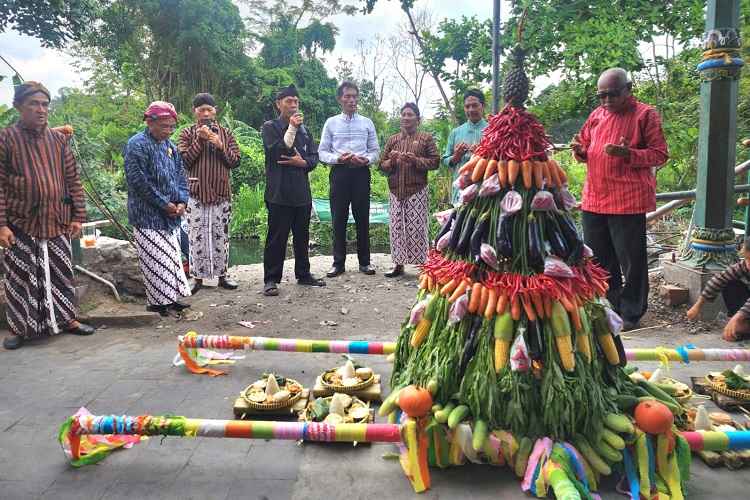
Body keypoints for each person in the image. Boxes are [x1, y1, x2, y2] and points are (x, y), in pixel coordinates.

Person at [571, 68, 668, 331]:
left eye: (612, 94)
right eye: (601, 95)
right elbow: (584, 145)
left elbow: (659, 154)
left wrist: (629, 154)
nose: (606, 101)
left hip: (627, 199)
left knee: (631, 260)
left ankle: (632, 312)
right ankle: (608, 306)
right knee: (599, 259)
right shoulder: (597, 115)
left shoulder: (645, 114)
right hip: (594, 197)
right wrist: (580, 152)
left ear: (628, 89)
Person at [0, 81, 95, 350]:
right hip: (21, 222)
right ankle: (20, 329)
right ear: (18, 106)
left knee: (62, 274)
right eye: (34, 103)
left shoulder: (58, 139)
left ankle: (68, 320)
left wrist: (78, 216)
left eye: (44, 104)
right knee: (20, 278)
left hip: (57, 220)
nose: (41, 109)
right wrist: (2, 225)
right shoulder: (6, 138)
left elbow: (72, 180)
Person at [124, 101, 192, 316]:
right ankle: (158, 303)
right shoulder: (137, 144)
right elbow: (138, 181)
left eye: (172, 126)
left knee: (171, 259)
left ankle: (170, 300)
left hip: (171, 214)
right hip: (147, 215)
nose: (169, 130)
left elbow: (181, 175)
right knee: (156, 260)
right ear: (150, 122)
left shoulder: (170, 146)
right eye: (165, 126)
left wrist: (181, 201)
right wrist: (165, 204)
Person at [260, 84, 325, 296]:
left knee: (302, 236)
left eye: (296, 101)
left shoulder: (306, 130)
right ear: (279, 104)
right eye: (289, 101)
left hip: (301, 193)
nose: (293, 104)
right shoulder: (270, 127)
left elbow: (314, 158)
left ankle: (303, 274)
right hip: (279, 193)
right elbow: (278, 151)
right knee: (277, 237)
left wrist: (303, 163)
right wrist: (292, 127)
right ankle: (271, 279)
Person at [178, 93, 241, 294]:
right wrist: (200, 140)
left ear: (215, 110)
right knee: (196, 236)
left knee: (221, 236)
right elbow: (185, 161)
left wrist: (220, 146)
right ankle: (197, 278)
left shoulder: (227, 134)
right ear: (194, 112)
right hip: (196, 193)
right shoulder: (187, 133)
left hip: (221, 193)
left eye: (209, 109)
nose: (206, 113)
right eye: (201, 109)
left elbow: (235, 161)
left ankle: (223, 276)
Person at [318, 81, 380, 278]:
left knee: (363, 217)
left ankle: (365, 263)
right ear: (340, 99)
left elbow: (376, 151)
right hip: (339, 173)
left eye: (354, 96)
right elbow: (322, 152)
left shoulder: (367, 123)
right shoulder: (331, 122)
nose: (352, 100)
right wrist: (337, 158)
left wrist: (367, 159)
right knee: (339, 218)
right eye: (347, 96)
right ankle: (338, 263)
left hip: (361, 173)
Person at [379, 103, 440, 277]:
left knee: (418, 227)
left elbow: (435, 162)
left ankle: (423, 266)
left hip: (417, 190)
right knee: (397, 227)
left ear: (418, 119)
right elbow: (381, 165)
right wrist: (391, 161)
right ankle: (398, 265)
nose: (406, 117)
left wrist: (415, 160)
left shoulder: (425, 138)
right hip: (395, 190)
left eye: (410, 114)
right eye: (403, 114)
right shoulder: (393, 140)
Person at [687, 238, 750, 341]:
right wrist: (697, 306)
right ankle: (741, 325)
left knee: (738, 322)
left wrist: (737, 317)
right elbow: (719, 279)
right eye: (747, 259)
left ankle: (743, 325)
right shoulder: (744, 266)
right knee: (729, 282)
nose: (748, 265)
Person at [442, 89, 488, 204]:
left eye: (474, 105)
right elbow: (445, 159)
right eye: (467, 106)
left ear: (482, 106)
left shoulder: (492, 130)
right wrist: (456, 156)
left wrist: (483, 153)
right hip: (460, 191)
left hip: (485, 191)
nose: (471, 110)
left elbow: (501, 161)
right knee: (459, 221)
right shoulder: (456, 132)